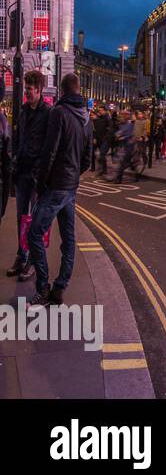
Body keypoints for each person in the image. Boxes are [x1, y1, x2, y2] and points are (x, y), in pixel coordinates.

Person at [24, 74, 94, 306]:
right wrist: (73, 177)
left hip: (55, 186)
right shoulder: (87, 119)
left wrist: (42, 183)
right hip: (71, 187)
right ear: (78, 89)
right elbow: (88, 160)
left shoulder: (58, 113)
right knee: (68, 239)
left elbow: (49, 152)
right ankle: (60, 288)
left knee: (34, 233)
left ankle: (43, 287)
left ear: (62, 92)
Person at [7, 71, 51, 281]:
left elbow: (49, 146)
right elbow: (18, 138)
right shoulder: (24, 111)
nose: (27, 93)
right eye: (25, 89)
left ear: (39, 90)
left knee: (33, 221)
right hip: (22, 172)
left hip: (36, 175)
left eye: (30, 89)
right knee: (20, 218)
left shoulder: (48, 113)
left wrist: (41, 171)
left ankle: (33, 260)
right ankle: (21, 256)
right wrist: (15, 158)